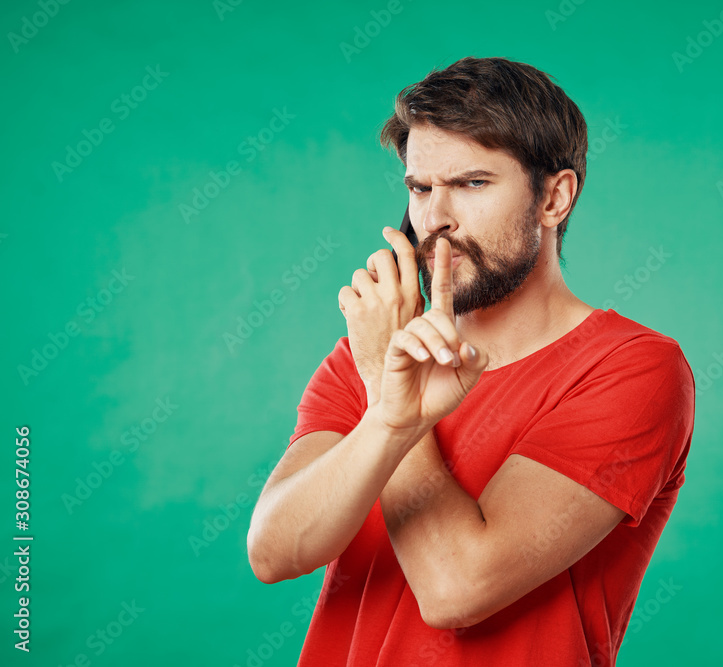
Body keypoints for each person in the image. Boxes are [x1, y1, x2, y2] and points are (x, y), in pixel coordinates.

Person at [247, 56, 696, 666]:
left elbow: (458, 587)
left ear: (555, 198)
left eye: (472, 184)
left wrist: (387, 389)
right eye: (420, 188)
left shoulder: (632, 369)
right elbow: (275, 553)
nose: (436, 219)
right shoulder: (372, 349)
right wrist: (385, 410)